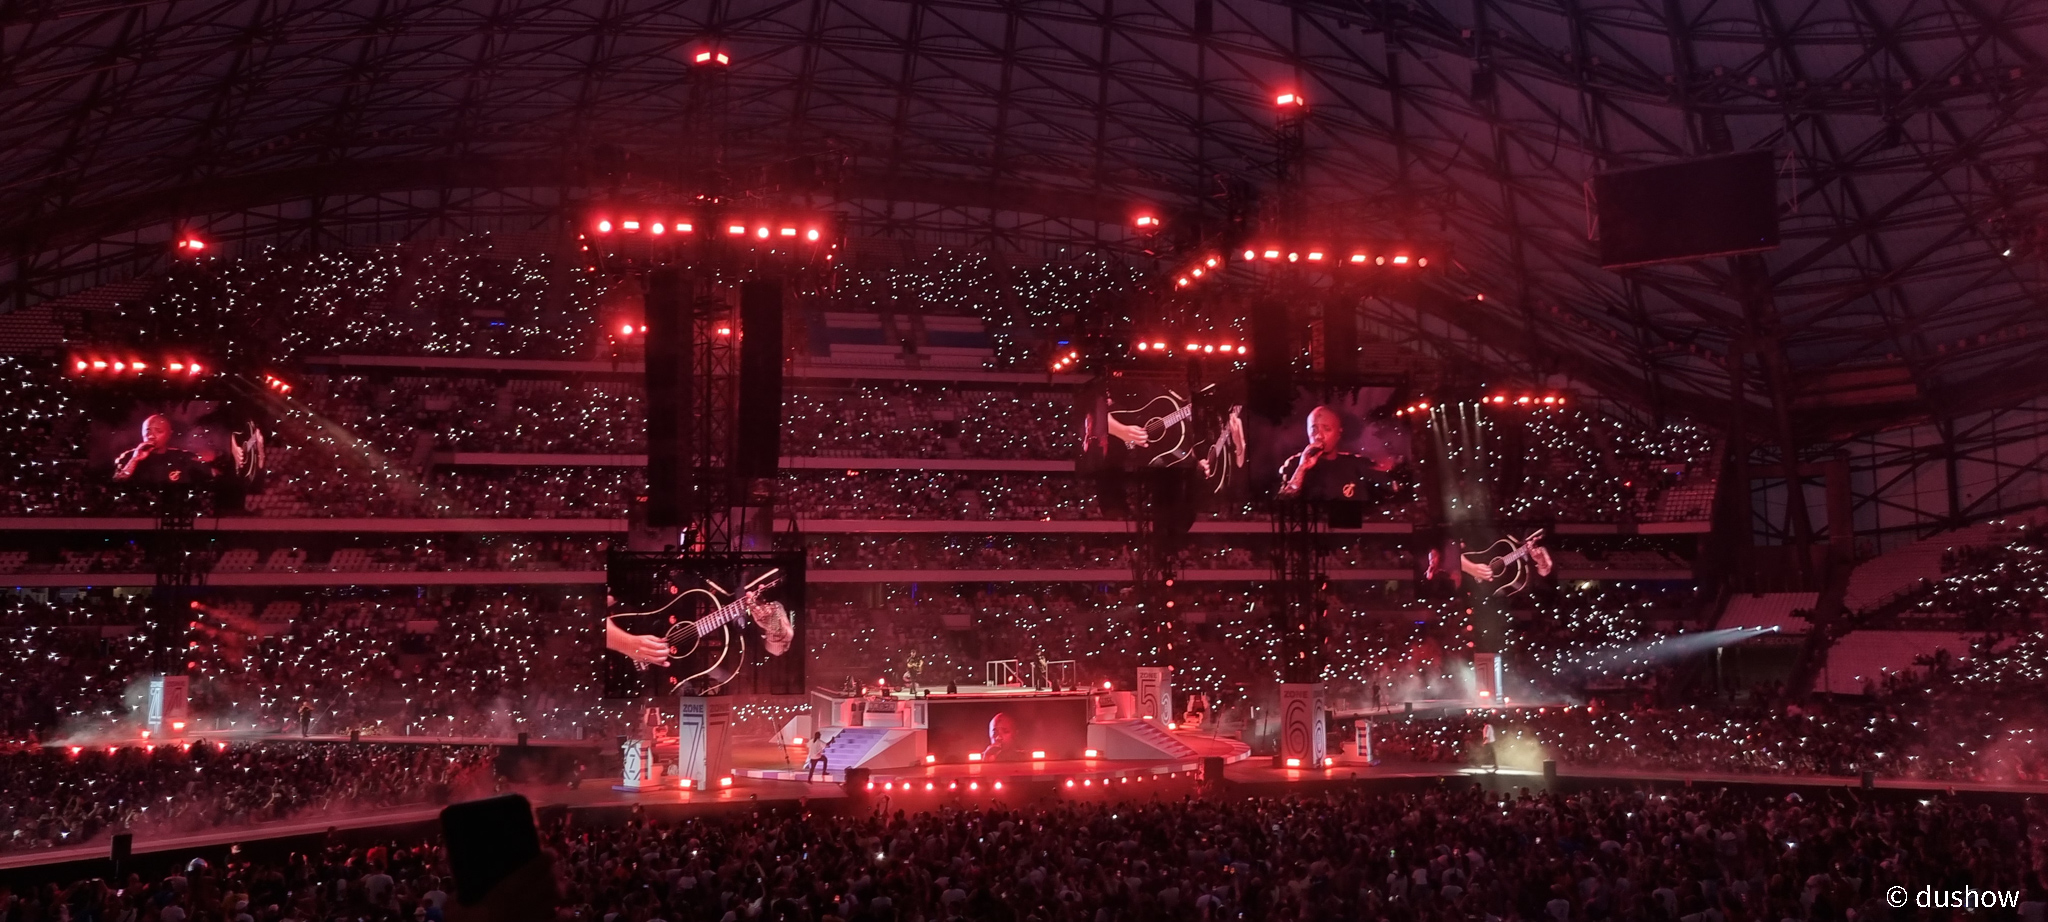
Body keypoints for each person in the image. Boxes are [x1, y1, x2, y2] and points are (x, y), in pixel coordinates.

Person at [1277, 406, 1369, 499]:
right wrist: (1301, 469)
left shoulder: (1355, 465)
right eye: (1314, 429)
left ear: (1339, 433)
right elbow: (1283, 502)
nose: (1319, 436)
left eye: (1327, 429)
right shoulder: (1294, 464)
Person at [112, 414, 209, 484]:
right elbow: (116, 482)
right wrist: (134, 460)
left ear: (169, 434)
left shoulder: (184, 457)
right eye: (147, 431)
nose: (151, 436)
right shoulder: (129, 456)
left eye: (158, 431)